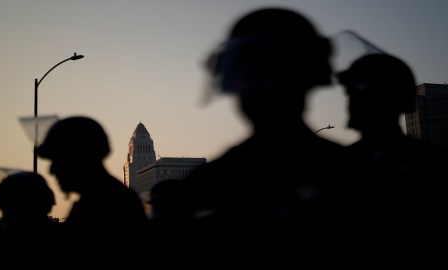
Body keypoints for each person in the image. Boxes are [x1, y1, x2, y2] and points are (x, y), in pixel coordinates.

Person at [173, 7, 352, 256]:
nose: (264, 88)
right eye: (252, 73)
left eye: (275, 72)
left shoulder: (210, 182)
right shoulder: (355, 171)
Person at [337, 53, 448, 259]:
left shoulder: (432, 163)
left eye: (358, 91)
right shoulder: (337, 163)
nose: (351, 100)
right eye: (350, 92)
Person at [37, 115, 149, 256]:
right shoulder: (98, 199)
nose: (52, 170)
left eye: (59, 158)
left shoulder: (110, 203)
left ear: (81, 157)